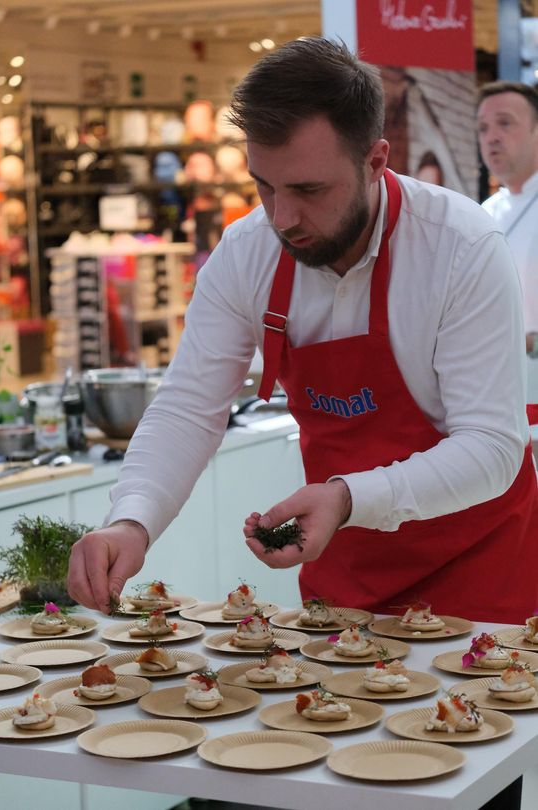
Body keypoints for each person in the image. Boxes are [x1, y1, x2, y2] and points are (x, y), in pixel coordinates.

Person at [68, 38, 537, 627]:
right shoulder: (247, 254)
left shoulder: (460, 247)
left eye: (309, 190)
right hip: (345, 585)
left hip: (483, 581)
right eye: (264, 185)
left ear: (375, 161)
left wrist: (346, 497)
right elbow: (189, 408)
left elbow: (493, 448)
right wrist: (131, 520)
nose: (281, 218)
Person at [477, 81, 538, 408]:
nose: (492, 137)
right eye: (483, 128)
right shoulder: (483, 213)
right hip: (500, 398)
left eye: (505, 123)